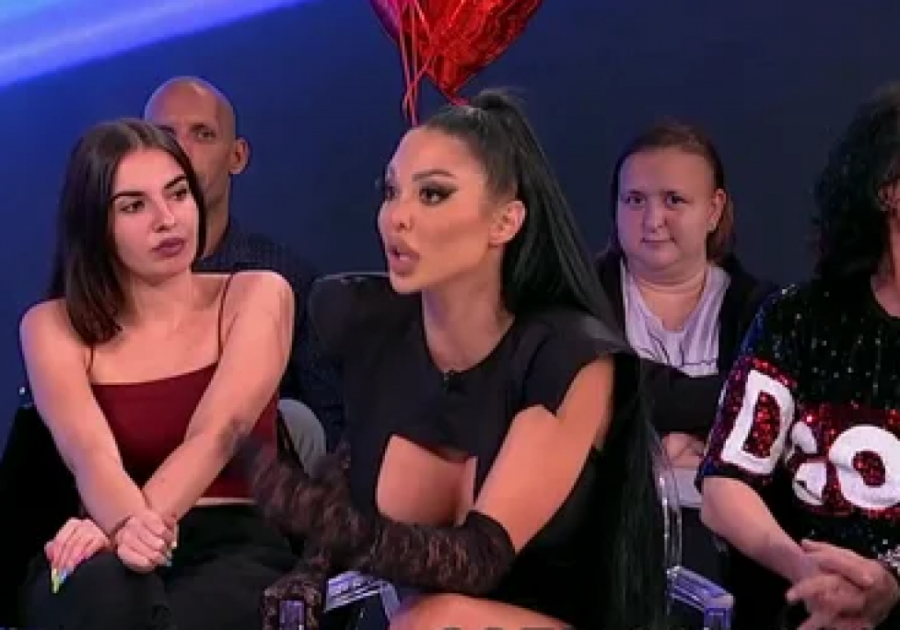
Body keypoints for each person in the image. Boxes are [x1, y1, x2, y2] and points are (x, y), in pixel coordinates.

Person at [239, 90, 669, 630]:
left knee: (435, 620)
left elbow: (477, 561)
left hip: (553, 620)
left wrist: (315, 514)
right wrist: (310, 570)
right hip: (422, 621)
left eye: (433, 195)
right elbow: (354, 463)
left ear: (505, 222)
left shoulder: (566, 358)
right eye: (390, 191)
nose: (397, 217)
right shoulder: (368, 323)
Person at [18, 119, 297, 630]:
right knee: (96, 591)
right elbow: (89, 453)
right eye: (134, 206)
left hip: (232, 543)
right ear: (94, 223)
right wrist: (122, 527)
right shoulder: (51, 325)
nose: (167, 220)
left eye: (178, 194)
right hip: (99, 537)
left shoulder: (256, 293)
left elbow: (219, 432)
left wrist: (135, 531)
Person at [697, 84, 900, 629]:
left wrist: (890, 583)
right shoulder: (798, 320)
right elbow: (723, 486)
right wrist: (805, 572)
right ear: (889, 190)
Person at [596, 120, 776, 582]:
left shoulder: (766, 311)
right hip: (605, 540)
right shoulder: (575, 303)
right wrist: (716, 420)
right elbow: (606, 389)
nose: (652, 220)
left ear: (714, 210)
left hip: (735, 550)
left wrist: (647, 429)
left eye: (674, 200)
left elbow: (775, 416)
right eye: (635, 200)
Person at [144, 76, 342, 456]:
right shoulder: (103, 281)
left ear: (237, 156)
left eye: (202, 134)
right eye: (164, 136)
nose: (181, 151)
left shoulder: (286, 278)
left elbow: (328, 430)